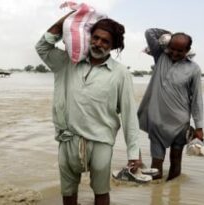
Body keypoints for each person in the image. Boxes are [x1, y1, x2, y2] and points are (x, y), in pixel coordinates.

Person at [35, 13, 142, 205]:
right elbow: (42, 47)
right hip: (68, 138)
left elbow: (129, 115)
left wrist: (133, 154)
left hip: (101, 140)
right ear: (89, 37)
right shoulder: (68, 62)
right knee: (68, 192)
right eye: (95, 37)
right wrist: (64, 22)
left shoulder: (120, 73)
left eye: (105, 41)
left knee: (101, 192)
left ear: (114, 46)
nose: (98, 44)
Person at [137, 28, 204, 181]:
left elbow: (197, 100)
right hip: (157, 121)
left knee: (175, 163)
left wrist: (199, 127)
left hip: (180, 124)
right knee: (156, 167)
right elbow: (149, 32)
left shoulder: (193, 69)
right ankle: (156, 195)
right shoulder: (160, 57)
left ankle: (174, 194)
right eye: (171, 48)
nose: (174, 53)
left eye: (179, 51)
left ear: (187, 50)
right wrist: (171, 34)